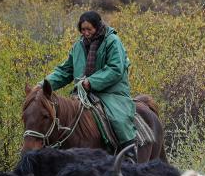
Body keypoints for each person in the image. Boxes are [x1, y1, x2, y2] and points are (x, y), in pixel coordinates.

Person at [41, 11, 137, 156]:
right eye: (83, 29)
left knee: (118, 120)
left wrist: (91, 82)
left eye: (89, 29)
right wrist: (42, 85)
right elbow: (64, 71)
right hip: (82, 95)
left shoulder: (112, 41)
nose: (85, 33)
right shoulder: (78, 46)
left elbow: (116, 68)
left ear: (97, 27)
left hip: (111, 92)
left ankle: (129, 156)